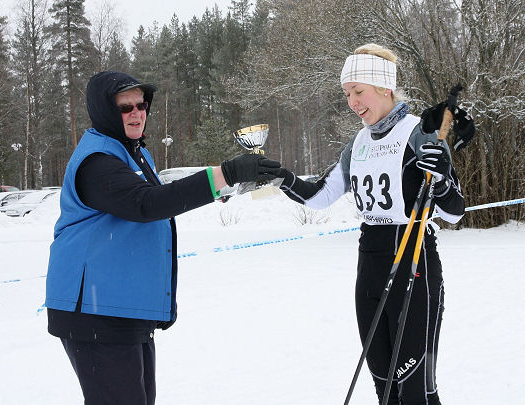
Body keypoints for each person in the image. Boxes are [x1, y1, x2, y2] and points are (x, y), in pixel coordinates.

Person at [44, 71, 280, 405]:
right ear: (105, 111)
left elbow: (159, 200)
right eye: (125, 108)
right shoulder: (97, 161)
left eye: (141, 105)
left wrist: (229, 185)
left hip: (123, 308)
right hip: (95, 312)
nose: (137, 113)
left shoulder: (133, 152)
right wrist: (226, 172)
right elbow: (146, 204)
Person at [268, 44, 474, 404]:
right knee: (384, 385)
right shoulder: (358, 143)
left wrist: (441, 178)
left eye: (358, 91)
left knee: (415, 390)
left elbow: (455, 212)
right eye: (347, 93)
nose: (352, 101)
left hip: (414, 262)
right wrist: (279, 176)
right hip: (371, 263)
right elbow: (319, 196)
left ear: (384, 88)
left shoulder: (419, 133)